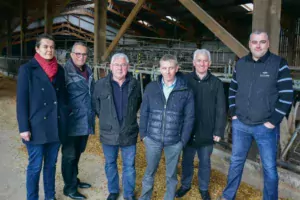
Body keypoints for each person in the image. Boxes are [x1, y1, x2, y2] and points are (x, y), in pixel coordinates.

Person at [218, 30, 293, 200]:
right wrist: (234, 113)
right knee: (236, 162)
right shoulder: (241, 63)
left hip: (265, 127)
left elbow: (287, 95)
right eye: (254, 42)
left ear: (268, 44)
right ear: (249, 44)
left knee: (269, 169)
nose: (258, 45)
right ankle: (227, 196)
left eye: (262, 42)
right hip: (241, 125)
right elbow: (233, 89)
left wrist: (273, 122)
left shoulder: (279, 64)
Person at [16, 33, 68, 200]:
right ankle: (32, 197)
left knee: (51, 165)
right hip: (36, 126)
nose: (49, 50)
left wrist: (65, 116)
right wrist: (24, 128)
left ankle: (50, 196)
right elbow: (22, 101)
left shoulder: (60, 70)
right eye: (45, 46)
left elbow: (63, 97)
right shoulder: (27, 70)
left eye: (52, 47)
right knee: (35, 166)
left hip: (55, 126)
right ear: (37, 49)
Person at [139, 54, 195, 200]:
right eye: (164, 68)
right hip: (152, 139)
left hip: (174, 141)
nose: (168, 72)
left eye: (171, 68)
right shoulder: (151, 87)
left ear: (177, 68)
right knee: (149, 172)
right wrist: (143, 135)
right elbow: (144, 111)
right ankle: (145, 197)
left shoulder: (185, 90)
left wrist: (182, 141)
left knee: (171, 175)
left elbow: (190, 117)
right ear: (160, 69)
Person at [175, 49, 226, 200]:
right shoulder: (185, 80)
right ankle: (185, 185)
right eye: (199, 60)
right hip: (188, 130)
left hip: (208, 130)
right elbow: (178, 105)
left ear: (209, 63)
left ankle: (203, 188)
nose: (202, 63)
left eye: (205, 61)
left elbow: (221, 109)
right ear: (194, 63)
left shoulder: (216, 83)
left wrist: (218, 131)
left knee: (205, 162)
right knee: (187, 160)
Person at [93, 53, 142, 200]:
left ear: (128, 67)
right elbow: (96, 106)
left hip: (129, 132)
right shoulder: (100, 85)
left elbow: (138, 103)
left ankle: (128, 194)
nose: (120, 68)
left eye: (123, 65)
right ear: (110, 67)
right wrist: (107, 121)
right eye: (117, 65)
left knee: (129, 166)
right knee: (110, 163)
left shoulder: (135, 85)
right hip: (108, 132)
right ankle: (113, 191)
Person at [61, 42, 95, 199]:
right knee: (69, 155)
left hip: (86, 120)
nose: (81, 57)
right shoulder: (64, 72)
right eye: (78, 54)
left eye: (84, 54)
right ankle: (69, 188)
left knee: (78, 152)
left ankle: (73, 179)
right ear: (71, 54)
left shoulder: (89, 70)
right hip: (71, 121)